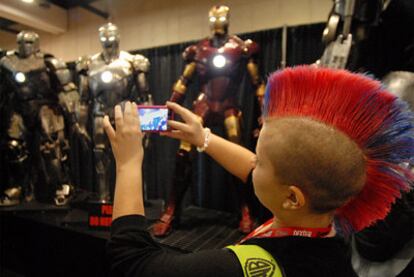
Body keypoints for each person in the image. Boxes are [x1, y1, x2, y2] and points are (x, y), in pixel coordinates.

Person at [105, 66, 414, 276]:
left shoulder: (252, 267)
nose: (252, 162)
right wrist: (203, 138)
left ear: (292, 197)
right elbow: (252, 169)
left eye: (261, 160)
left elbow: (132, 262)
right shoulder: (324, 224)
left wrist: (129, 163)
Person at [153, 4, 266, 236]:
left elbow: (258, 84)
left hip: (229, 106)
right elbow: (183, 81)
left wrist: (265, 113)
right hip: (203, 104)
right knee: (183, 153)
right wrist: (168, 106)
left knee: (238, 155)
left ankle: (245, 210)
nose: (218, 22)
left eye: (221, 18)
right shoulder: (199, 49)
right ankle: (172, 209)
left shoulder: (241, 48)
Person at [0, 31, 83, 206]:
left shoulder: (49, 62)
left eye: (29, 42)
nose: (24, 45)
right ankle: (19, 187)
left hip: (46, 106)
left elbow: (67, 90)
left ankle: (61, 185)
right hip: (20, 106)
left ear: (36, 44)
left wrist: (74, 120)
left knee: (51, 148)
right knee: (14, 146)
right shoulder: (7, 62)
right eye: (20, 42)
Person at [76, 22, 151, 203]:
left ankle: (131, 198)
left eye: (111, 37)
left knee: (130, 156)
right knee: (100, 155)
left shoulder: (133, 61)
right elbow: (83, 99)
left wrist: (149, 126)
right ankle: (104, 198)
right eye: (104, 38)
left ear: (118, 37)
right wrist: (80, 124)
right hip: (99, 113)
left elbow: (145, 95)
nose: (108, 41)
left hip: (124, 113)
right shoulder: (89, 64)